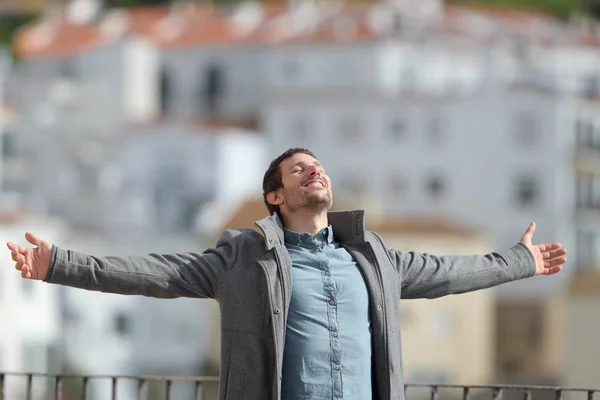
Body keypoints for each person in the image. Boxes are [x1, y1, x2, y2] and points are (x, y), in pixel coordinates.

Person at [7, 148, 566, 400]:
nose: (314, 170)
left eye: (317, 165)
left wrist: (521, 261)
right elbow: (156, 271)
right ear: (276, 196)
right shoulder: (243, 259)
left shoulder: (374, 258)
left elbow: (448, 272)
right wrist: (59, 263)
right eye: (299, 168)